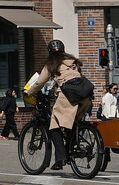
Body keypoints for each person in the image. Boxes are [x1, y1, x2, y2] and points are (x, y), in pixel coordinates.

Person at [24, 39, 92, 171]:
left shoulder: (51, 63)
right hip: (85, 94)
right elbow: (72, 77)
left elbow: (40, 82)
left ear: (49, 51)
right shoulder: (73, 62)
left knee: (54, 125)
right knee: (70, 125)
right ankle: (66, 155)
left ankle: (61, 158)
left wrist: (29, 92)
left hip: (68, 95)